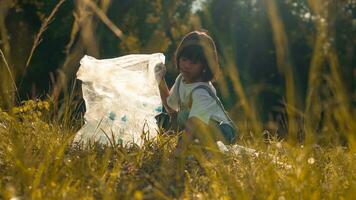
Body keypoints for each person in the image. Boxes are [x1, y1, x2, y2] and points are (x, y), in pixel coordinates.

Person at [154, 31, 237, 155]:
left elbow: (193, 123)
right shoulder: (181, 79)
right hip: (195, 128)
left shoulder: (201, 91)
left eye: (194, 62)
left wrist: (179, 149)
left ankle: (201, 151)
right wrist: (160, 80)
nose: (187, 66)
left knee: (190, 129)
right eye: (184, 59)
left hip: (221, 131)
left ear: (205, 65)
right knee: (169, 118)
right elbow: (171, 108)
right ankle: (196, 149)